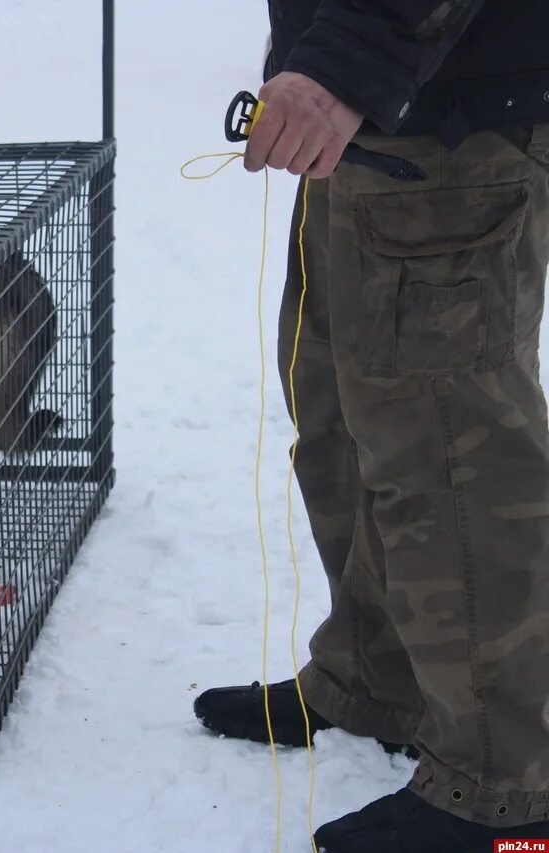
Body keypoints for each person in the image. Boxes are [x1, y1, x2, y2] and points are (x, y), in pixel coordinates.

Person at [192, 2, 549, 851]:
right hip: (375, 124)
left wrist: (345, 61)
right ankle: (378, 676)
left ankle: (510, 783)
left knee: (451, 448)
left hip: (455, 129)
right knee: (337, 408)